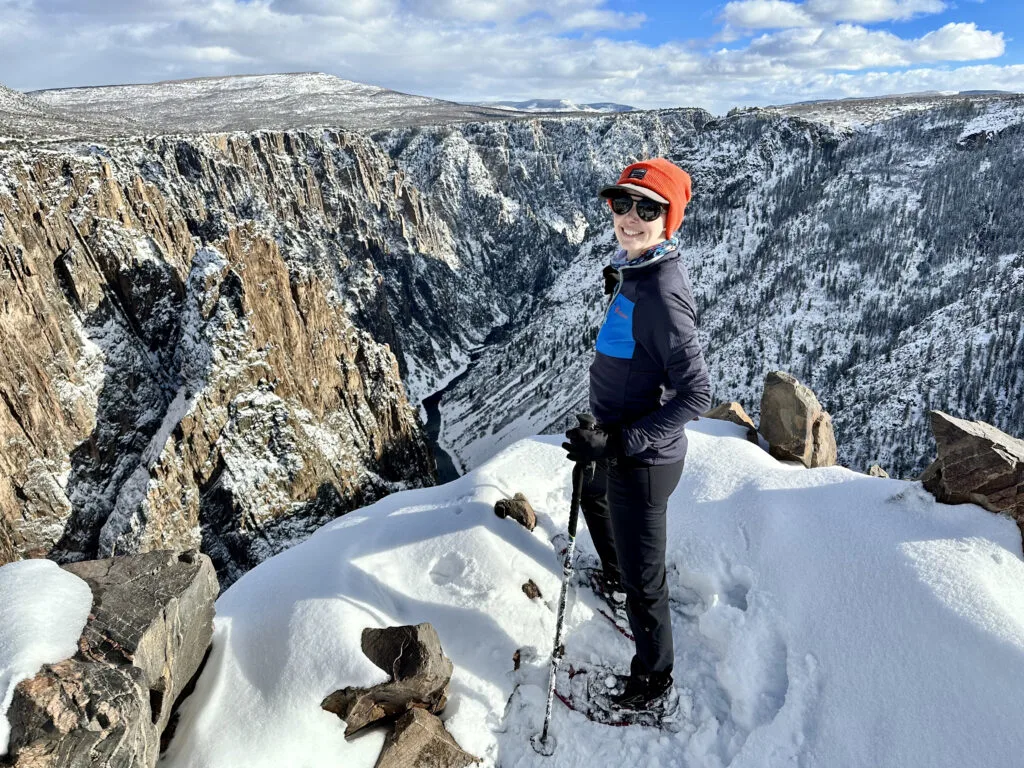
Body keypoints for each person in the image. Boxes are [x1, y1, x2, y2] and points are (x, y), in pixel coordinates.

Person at [562, 158, 712, 711]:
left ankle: (653, 683)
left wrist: (618, 444)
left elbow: (695, 395)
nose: (629, 216)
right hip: (617, 441)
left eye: (647, 209)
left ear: (669, 220)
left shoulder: (662, 297)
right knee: (594, 498)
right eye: (621, 203)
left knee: (647, 590)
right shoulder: (641, 269)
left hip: (643, 463)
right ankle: (614, 572)